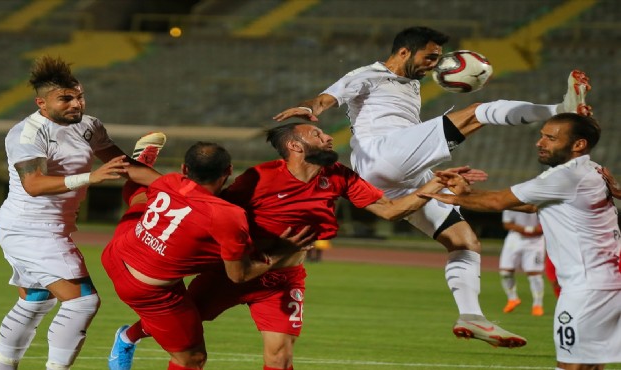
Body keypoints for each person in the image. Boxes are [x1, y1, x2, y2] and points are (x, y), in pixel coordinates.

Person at [274, 25, 592, 347]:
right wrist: (310, 108)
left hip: (402, 174)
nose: (434, 65)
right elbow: (327, 97)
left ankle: (471, 315)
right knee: (479, 112)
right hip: (382, 154)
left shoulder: (410, 83)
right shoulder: (368, 74)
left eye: (438, 58)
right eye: (430, 57)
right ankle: (559, 109)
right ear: (403, 52)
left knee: (464, 241)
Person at [111, 122, 491, 370]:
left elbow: (390, 210)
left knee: (280, 356)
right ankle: (129, 335)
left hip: (282, 278)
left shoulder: (340, 176)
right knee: (186, 324)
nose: (328, 137)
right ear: (294, 145)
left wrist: (429, 189)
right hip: (235, 271)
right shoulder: (257, 178)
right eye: (318, 134)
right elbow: (213, 206)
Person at [0, 56, 160, 370]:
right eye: (65, 98)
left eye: (79, 96)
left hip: (50, 227)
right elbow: (34, 183)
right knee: (83, 300)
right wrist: (90, 177)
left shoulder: (89, 126)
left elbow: (126, 167)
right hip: (30, 228)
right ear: (42, 103)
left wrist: (176, 188)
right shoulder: (27, 134)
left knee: (35, 300)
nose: (76, 103)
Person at [420, 113, 621, 370]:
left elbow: (497, 202)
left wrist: (446, 196)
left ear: (578, 145)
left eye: (550, 138)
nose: (540, 142)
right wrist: (468, 194)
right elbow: (529, 206)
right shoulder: (591, 170)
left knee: (571, 366)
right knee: (590, 367)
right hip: (606, 284)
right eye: (542, 135)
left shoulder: (565, 177)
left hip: (586, 289)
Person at [102, 140, 314, 370]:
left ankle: (143, 159)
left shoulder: (171, 181)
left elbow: (130, 171)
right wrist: (281, 251)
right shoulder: (227, 215)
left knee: (141, 198)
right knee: (192, 360)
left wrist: (92, 136)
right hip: (149, 291)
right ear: (229, 171)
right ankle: (126, 338)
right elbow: (239, 275)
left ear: (184, 169)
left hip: (119, 251)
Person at [498, 210, 546, 316]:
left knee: (535, 275)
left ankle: (537, 305)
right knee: (505, 272)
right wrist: (527, 229)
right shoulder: (509, 204)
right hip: (515, 238)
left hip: (535, 241)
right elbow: (507, 224)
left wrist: (537, 230)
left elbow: (544, 225)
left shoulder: (537, 201)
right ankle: (512, 299)